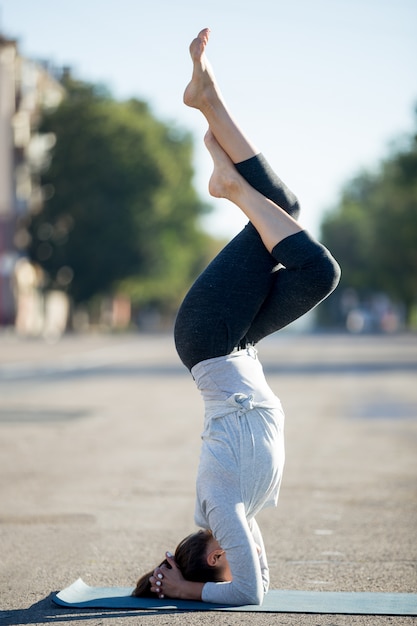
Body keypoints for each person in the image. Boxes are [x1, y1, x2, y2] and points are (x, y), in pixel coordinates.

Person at [132, 27, 341, 606]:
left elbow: (247, 595)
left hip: (209, 338)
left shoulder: (221, 505)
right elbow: (262, 582)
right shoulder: (240, 510)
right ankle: (211, 110)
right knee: (309, 259)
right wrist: (184, 582)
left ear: (214, 553)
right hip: (235, 344)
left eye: (221, 566)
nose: (236, 558)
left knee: (308, 256)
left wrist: (182, 587)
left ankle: (228, 174)